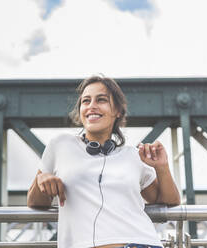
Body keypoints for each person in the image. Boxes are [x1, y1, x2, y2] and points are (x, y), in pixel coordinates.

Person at [27, 75, 181, 248]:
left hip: (141, 243)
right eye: (86, 101)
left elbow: (170, 202)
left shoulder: (133, 155)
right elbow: (34, 202)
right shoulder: (60, 144)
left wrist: (162, 167)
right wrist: (42, 181)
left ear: (118, 111)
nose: (91, 106)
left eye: (101, 100)